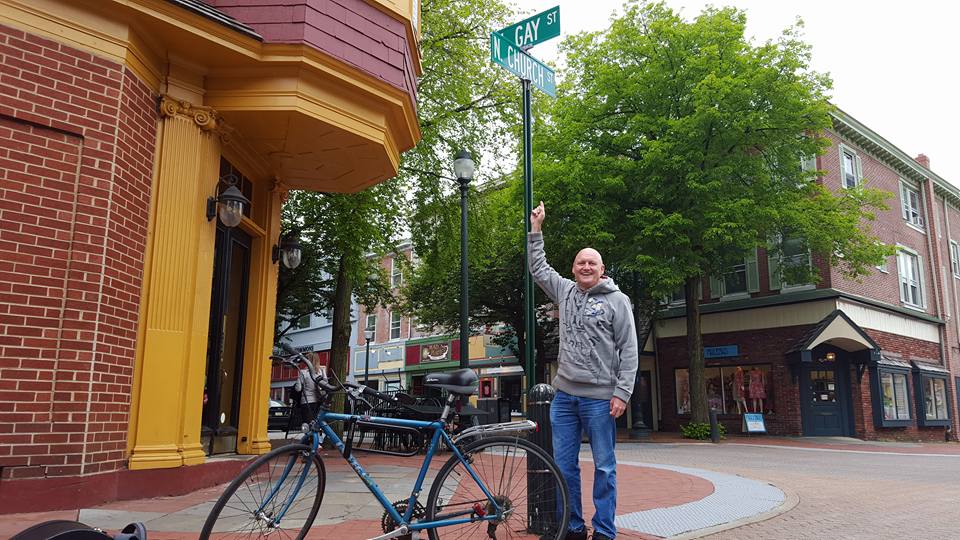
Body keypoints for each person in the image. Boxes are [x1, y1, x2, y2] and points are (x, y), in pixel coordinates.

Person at [528, 201, 638, 540]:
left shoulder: (617, 301)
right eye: (580, 262)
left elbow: (629, 348)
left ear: (601, 269)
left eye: (592, 262)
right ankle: (573, 528)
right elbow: (538, 268)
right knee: (564, 467)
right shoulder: (564, 291)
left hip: (601, 399)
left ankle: (604, 531)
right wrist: (536, 229)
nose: (586, 266)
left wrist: (622, 392)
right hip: (564, 397)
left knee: (604, 467)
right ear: (574, 269)